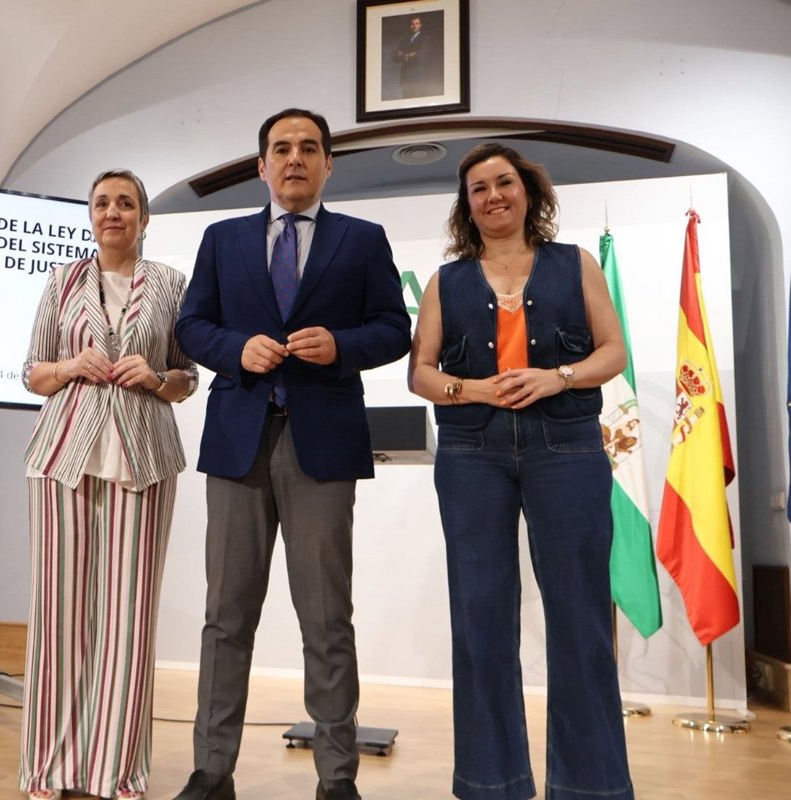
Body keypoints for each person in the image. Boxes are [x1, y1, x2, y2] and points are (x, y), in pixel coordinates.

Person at [174, 109, 412, 800]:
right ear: (262, 166)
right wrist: (234, 349)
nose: (295, 158)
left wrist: (341, 346)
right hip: (238, 444)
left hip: (323, 446)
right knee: (226, 618)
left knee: (327, 618)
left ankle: (337, 777)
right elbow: (192, 325)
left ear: (329, 164)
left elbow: (393, 329)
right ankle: (211, 771)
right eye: (281, 148)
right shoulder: (222, 239)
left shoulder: (362, 240)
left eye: (309, 148)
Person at [408, 143, 634, 800]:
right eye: (478, 188)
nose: (493, 196)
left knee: (581, 616)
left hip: (566, 448)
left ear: (527, 191)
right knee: (480, 615)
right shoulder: (446, 281)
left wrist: (557, 376)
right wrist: (471, 390)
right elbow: (421, 373)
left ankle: (591, 787)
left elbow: (613, 351)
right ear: (467, 205)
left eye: (504, 182)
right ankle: (492, 783)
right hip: (471, 453)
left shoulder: (575, 263)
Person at [19, 168, 199, 800]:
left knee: (128, 619)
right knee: (59, 617)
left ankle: (116, 773)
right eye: (102, 203)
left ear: (144, 219)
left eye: (126, 203)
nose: (113, 212)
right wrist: (72, 364)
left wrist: (155, 377)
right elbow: (31, 374)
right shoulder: (61, 281)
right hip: (62, 459)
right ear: (91, 216)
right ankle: (49, 771)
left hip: (144, 460)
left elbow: (187, 379)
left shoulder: (172, 284)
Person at [389, 15, 442, 98]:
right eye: (412, 24)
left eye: (417, 24)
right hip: (406, 78)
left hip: (419, 78)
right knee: (406, 101)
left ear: (420, 25)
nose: (414, 26)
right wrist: (408, 55)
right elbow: (395, 58)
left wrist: (403, 54)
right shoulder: (405, 40)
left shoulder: (425, 38)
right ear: (410, 25)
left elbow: (420, 56)